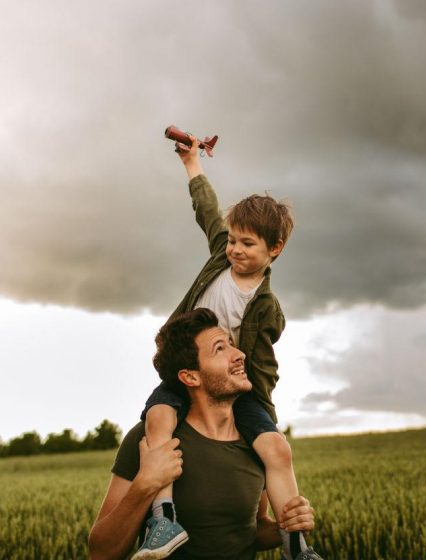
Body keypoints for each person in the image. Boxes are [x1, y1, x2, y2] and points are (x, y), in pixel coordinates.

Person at [132, 135, 322, 560]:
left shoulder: (268, 309)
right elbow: (206, 208)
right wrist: (191, 162)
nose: (235, 249)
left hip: (236, 386)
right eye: (234, 239)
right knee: (158, 417)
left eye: (247, 244)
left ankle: (296, 544)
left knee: (276, 448)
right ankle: (163, 521)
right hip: (188, 369)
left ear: (274, 249)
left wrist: (262, 415)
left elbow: (264, 368)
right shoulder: (221, 253)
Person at [88, 308, 319, 560]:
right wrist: (146, 482)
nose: (239, 354)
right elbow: (101, 553)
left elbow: (252, 532)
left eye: (232, 345)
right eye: (220, 349)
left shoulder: (259, 445)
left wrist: (287, 525)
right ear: (190, 376)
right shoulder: (149, 440)